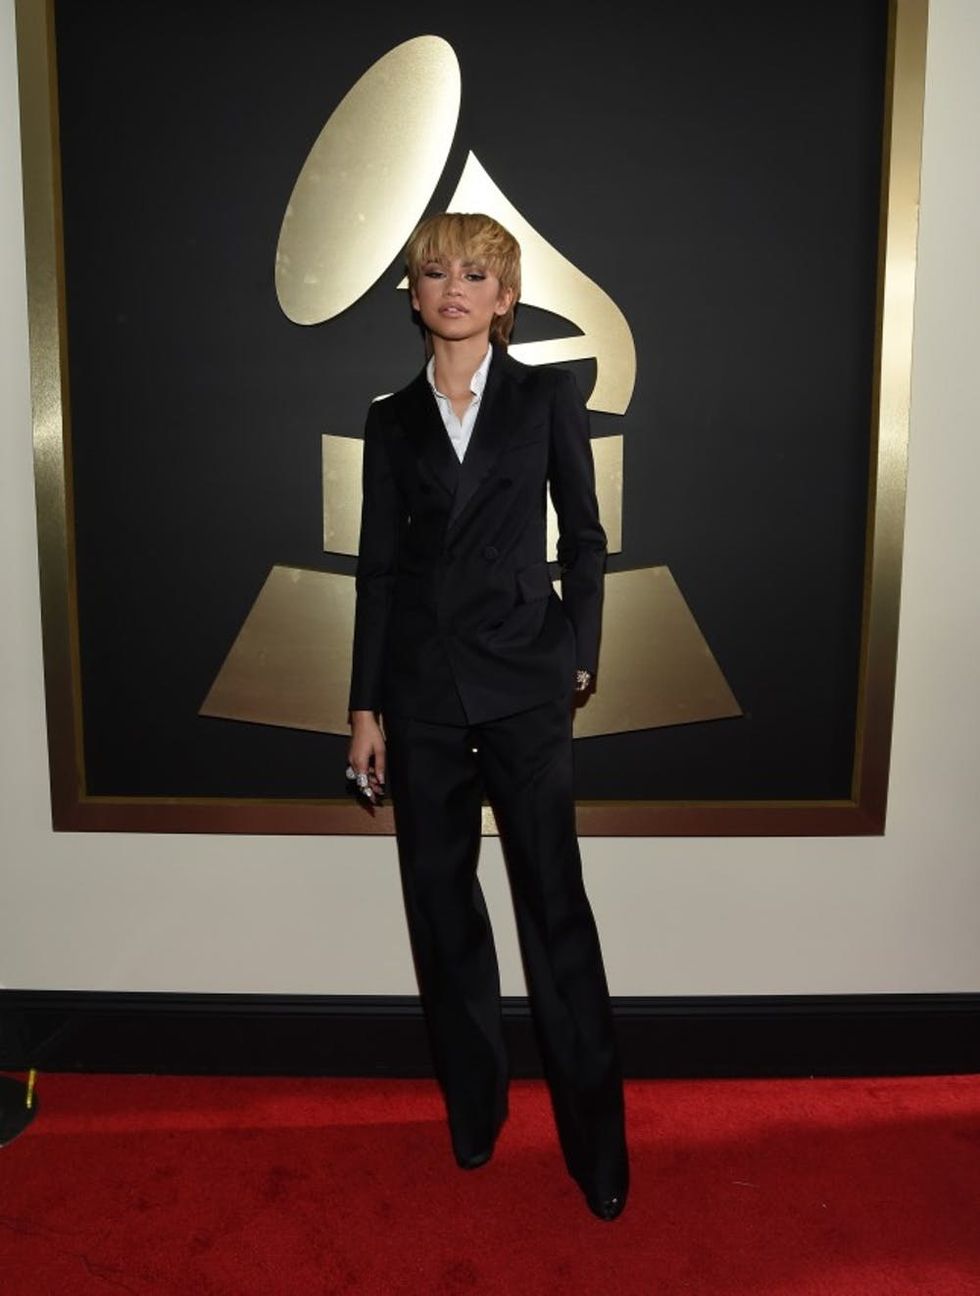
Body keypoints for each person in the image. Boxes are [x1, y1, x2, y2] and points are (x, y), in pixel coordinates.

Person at [346, 212, 628, 1220]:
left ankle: (596, 1145)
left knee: (555, 909)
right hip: (421, 694)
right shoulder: (390, 420)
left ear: (504, 298)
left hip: (524, 683)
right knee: (442, 909)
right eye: (435, 272)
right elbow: (379, 570)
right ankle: (475, 1108)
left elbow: (585, 537)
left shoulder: (546, 397)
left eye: (474, 274)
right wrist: (365, 705)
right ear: (415, 296)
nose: (453, 288)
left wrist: (577, 653)